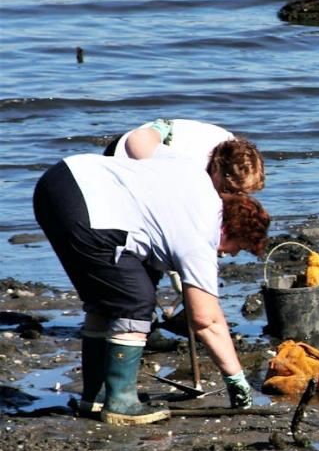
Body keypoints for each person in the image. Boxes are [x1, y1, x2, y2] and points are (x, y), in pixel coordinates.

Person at [32, 153, 270, 424]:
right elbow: (206, 320)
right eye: (235, 248)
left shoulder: (198, 183)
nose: (227, 255)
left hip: (60, 180)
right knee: (135, 301)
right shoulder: (202, 235)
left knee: (108, 300)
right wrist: (236, 379)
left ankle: (94, 399)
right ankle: (121, 403)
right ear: (228, 230)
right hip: (88, 207)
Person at [105, 118, 265, 194]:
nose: (234, 197)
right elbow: (137, 139)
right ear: (217, 171)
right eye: (228, 190)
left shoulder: (233, 146)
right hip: (125, 157)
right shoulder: (192, 167)